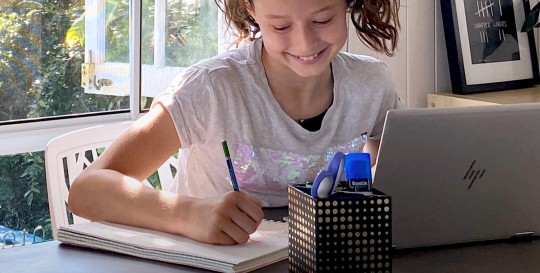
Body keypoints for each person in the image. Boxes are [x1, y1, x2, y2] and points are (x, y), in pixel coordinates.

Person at [68, 0, 401, 245]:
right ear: (250, 9)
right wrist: (185, 214)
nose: (305, 43)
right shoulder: (212, 87)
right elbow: (86, 191)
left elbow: (394, 181)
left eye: (323, 19)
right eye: (281, 27)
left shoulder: (371, 85)